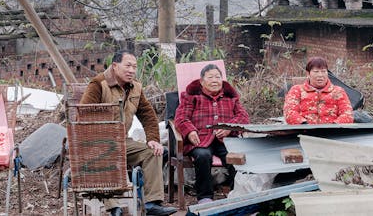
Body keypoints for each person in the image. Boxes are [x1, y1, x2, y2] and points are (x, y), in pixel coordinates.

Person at [81, 50, 177, 216]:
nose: (132, 70)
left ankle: (152, 204)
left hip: (123, 141)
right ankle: (114, 208)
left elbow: (148, 115)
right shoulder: (98, 84)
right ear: (115, 66)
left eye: (134, 66)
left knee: (153, 152)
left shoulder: (136, 88)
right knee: (105, 154)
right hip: (98, 142)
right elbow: (83, 114)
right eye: (128, 66)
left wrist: (153, 139)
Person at [173, 63, 250, 204]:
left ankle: (236, 193)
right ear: (202, 81)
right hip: (200, 139)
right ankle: (205, 197)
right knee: (203, 156)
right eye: (210, 77)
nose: (215, 80)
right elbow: (181, 117)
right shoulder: (192, 95)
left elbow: (243, 116)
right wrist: (190, 131)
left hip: (226, 139)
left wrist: (229, 128)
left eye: (218, 77)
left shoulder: (230, 96)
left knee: (235, 156)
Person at [282, 57, 354, 125]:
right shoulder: (297, 90)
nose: (320, 75)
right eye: (316, 71)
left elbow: (348, 114)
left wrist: (333, 127)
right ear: (308, 73)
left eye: (323, 71)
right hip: (304, 133)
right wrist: (305, 125)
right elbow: (289, 112)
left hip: (333, 133)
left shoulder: (338, 91)